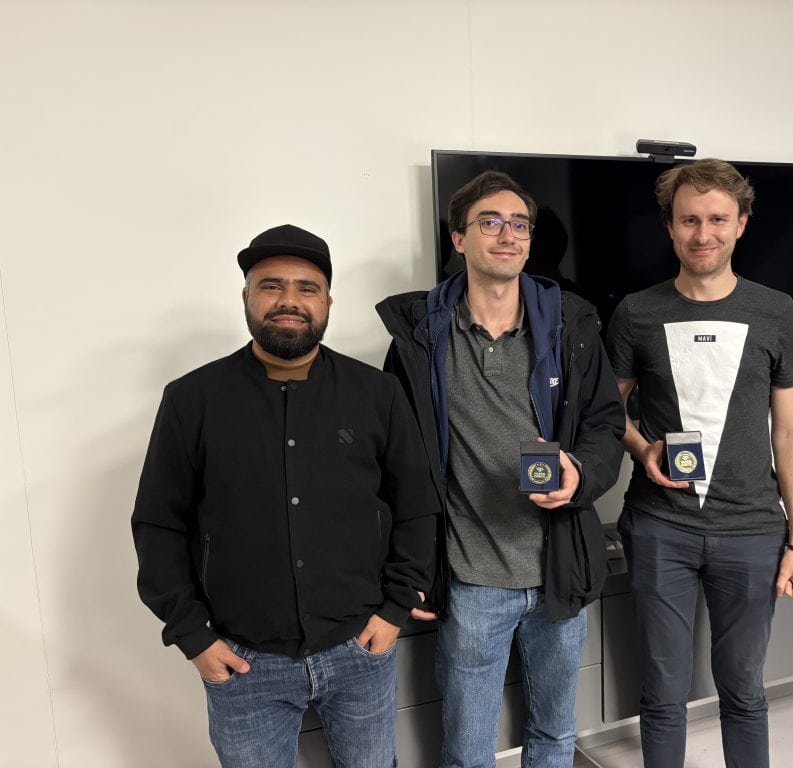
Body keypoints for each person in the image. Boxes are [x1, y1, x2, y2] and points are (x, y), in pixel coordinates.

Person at [131, 224, 438, 768]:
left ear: (327, 302)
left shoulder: (377, 394)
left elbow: (416, 506)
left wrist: (395, 610)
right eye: (271, 286)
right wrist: (193, 636)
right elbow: (159, 525)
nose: (289, 301)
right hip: (243, 660)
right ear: (246, 297)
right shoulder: (191, 400)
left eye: (307, 288)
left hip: (360, 650)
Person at [376, 171, 624, 768]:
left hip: (560, 570)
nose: (507, 234)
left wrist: (580, 475)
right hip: (471, 578)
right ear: (458, 239)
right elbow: (393, 465)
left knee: (555, 735)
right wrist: (406, 568)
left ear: (530, 241)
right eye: (490, 222)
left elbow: (605, 427)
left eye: (519, 224)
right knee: (466, 750)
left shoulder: (572, 325)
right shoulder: (420, 337)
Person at [605, 159, 793, 768]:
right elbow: (606, 413)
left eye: (718, 219)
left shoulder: (777, 311)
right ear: (670, 228)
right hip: (659, 528)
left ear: (741, 224)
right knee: (662, 694)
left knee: (743, 691)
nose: (704, 234)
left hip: (752, 530)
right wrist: (643, 450)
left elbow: (791, 428)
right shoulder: (635, 313)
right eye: (689, 220)